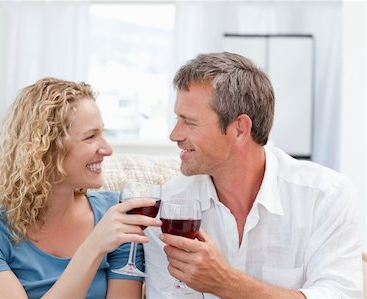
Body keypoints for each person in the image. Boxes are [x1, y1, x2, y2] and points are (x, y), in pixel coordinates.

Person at [144, 52, 362, 298]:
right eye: (177, 118)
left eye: (189, 122)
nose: (174, 135)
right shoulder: (165, 207)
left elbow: (340, 294)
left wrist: (227, 283)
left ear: (239, 129)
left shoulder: (324, 196)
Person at [0, 77, 162, 299]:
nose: (107, 149)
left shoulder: (116, 215)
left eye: (104, 133)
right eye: (91, 137)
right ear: (45, 149)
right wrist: (93, 246)